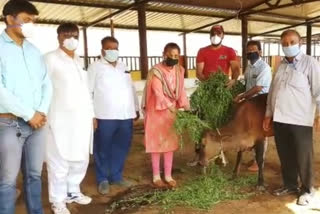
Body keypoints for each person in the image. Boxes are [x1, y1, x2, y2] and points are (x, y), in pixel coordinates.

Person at [0, 1, 52, 214]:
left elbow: (46, 83)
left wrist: (41, 111)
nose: (31, 25)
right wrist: (29, 113)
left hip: (37, 124)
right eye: (27, 20)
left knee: (34, 175)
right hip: (8, 123)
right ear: (10, 18)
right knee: (8, 179)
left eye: (34, 21)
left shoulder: (34, 51)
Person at [263, 29, 320, 206]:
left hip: (300, 120)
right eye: (285, 44)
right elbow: (273, 92)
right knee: (286, 155)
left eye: (292, 42)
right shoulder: (281, 65)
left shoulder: (309, 63)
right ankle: (290, 185)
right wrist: (268, 114)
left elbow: (319, 90)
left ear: (300, 43)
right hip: (280, 119)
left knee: (303, 156)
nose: (288, 46)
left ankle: (308, 189)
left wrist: (319, 114)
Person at [45, 23, 94, 214]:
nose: (71, 38)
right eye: (66, 34)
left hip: (81, 119)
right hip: (59, 118)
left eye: (75, 35)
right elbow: (42, 89)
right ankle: (57, 200)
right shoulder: (49, 59)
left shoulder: (79, 60)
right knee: (59, 160)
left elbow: (85, 90)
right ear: (58, 37)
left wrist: (92, 114)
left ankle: (73, 191)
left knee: (80, 158)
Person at [88, 36, 139, 195]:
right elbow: (88, 92)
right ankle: (102, 178)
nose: (113, 51)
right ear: (102, 50)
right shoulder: (94, 67)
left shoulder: (124, 66)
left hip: (125, 115)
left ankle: (116, 176)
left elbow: (131, 88)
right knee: (103, 148)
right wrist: (92, 115)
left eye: (115, 48)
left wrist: (136, 108)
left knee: (122, 146)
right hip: (105, 115)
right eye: (109, 48)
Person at [142, 43, 190, 188]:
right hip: (156, 111)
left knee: (169, 143)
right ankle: (156, 176)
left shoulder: (179, 71)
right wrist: (168, 106)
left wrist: (186, 106)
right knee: (156, 144)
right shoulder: (156, 71)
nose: (174, 58)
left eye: (176, 56)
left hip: (171, 112)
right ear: (164, 54)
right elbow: (157, 91)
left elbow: (180, 90)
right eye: (171, 55)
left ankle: (168, 175)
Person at [234, 40, 272, 172]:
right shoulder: (249, 66)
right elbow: (247, 84)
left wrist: (242, 96)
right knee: (251, 130)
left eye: (253, 50)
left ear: (260, 52)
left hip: (261, 102)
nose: (250, 53)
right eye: (248, 51)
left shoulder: (264, 68)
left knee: (261, 132)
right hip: (251, 102)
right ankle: (256, 157)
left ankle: (258, 162)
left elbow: (258, 87)